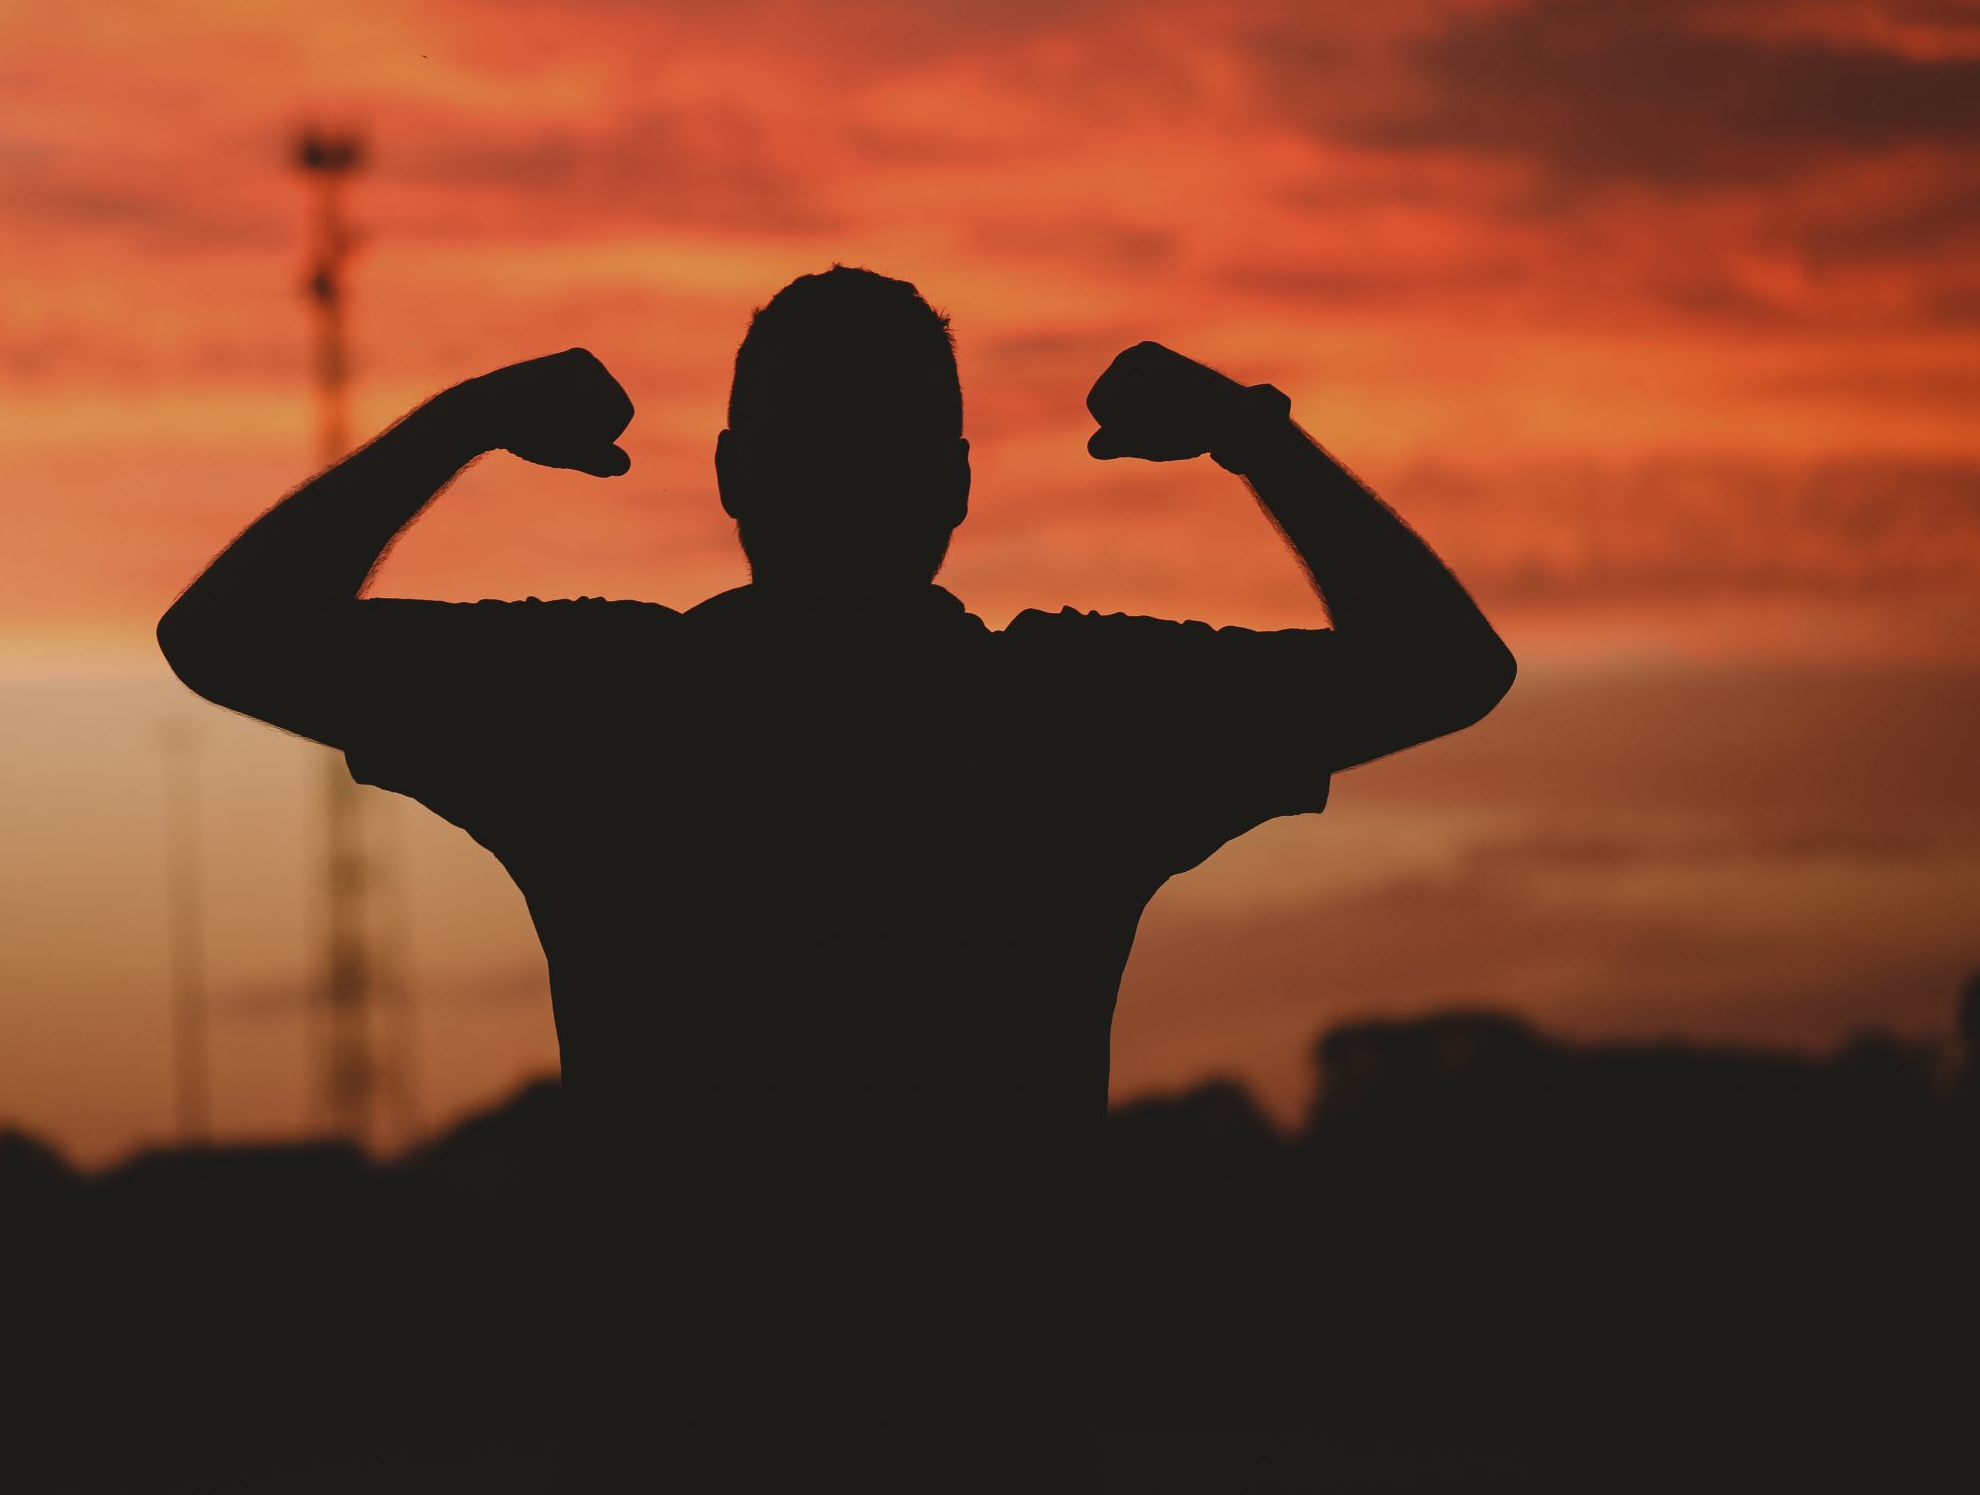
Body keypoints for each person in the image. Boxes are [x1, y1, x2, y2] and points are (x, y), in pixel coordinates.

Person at [158, 265, 1514, 1488]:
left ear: (737, 475)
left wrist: (463, 423)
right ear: (958, 485)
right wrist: (1249, 440)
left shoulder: (607, 710)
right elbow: (1443, 666)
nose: (851, 476)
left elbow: (230, 636)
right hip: (976, 1443)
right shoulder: (1073, 718)